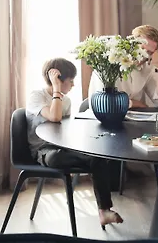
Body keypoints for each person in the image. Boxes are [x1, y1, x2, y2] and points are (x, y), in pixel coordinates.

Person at [26, 58, 123, 230]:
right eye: (70, 80)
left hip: (62, 147)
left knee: (97, 157)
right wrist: (56, 89)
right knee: (55, 158)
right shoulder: (37, 96)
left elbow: (63, 129)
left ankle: (104, 211)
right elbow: (54, 116)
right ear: (58, 79)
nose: (73, 84)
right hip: (43, 150)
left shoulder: (66, 101)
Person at [88, 25, 158, 108]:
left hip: (131, 114)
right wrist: (137, 104)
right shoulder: (111, 62)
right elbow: (108, 102)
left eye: (149, 52)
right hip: (103, 113)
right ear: (131, 42)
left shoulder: (147, 68)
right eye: (142, 48)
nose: (144, 55)